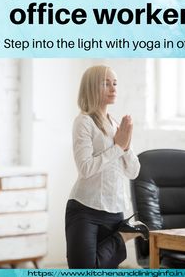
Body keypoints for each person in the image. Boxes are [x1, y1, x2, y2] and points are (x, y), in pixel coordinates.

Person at [65, 65, 148, 269]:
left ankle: (122, 234)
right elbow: (85, 168)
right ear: (92, 87)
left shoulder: (116, 123)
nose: (113, 88)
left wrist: (125, 147)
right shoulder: (83, 122)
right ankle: (124, 235)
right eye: (106, 83)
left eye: (115, 83)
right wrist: (118, 146)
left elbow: (133, 171)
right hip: (85, 209)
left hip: (115, 210)